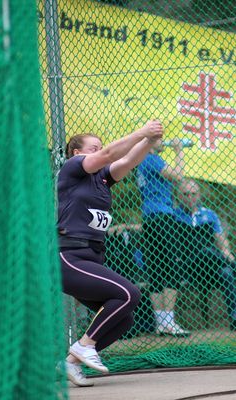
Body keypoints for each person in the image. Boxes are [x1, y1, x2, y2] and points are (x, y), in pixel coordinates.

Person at [57, 121, 164, 386]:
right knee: (129, 293)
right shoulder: (71, 170)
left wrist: (149, 142)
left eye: (100, 147)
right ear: (75, 153)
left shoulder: (102, 178)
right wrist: (141, 132)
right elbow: (108, 156)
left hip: (91, 257)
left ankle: (69, 363)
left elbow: (127, 161)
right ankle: (84, 346)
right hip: (70, 256)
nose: (100, 151)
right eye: (93, 148)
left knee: (123, 318)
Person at [174, 179, 236, 331]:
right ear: (179, 196)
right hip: (188, 268)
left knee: (226, 272)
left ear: (199, 195)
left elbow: (223, 244)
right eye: (186, 194)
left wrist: (228, 256)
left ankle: (235, 319)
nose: (190, 197)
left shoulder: (209, 215)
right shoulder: (174, 215)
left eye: (193, 194)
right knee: (206, 251)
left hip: (211, 267)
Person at [136, 138, 190, 337]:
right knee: (171, 267)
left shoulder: (141, 162)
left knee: (157, 269)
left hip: (149, 218)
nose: (162, 142)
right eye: (159, 139)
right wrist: (178, 151)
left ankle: (162, 323)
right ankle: (169, 321)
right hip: (162, 217)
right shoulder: (153, 159)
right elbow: (179, 176)